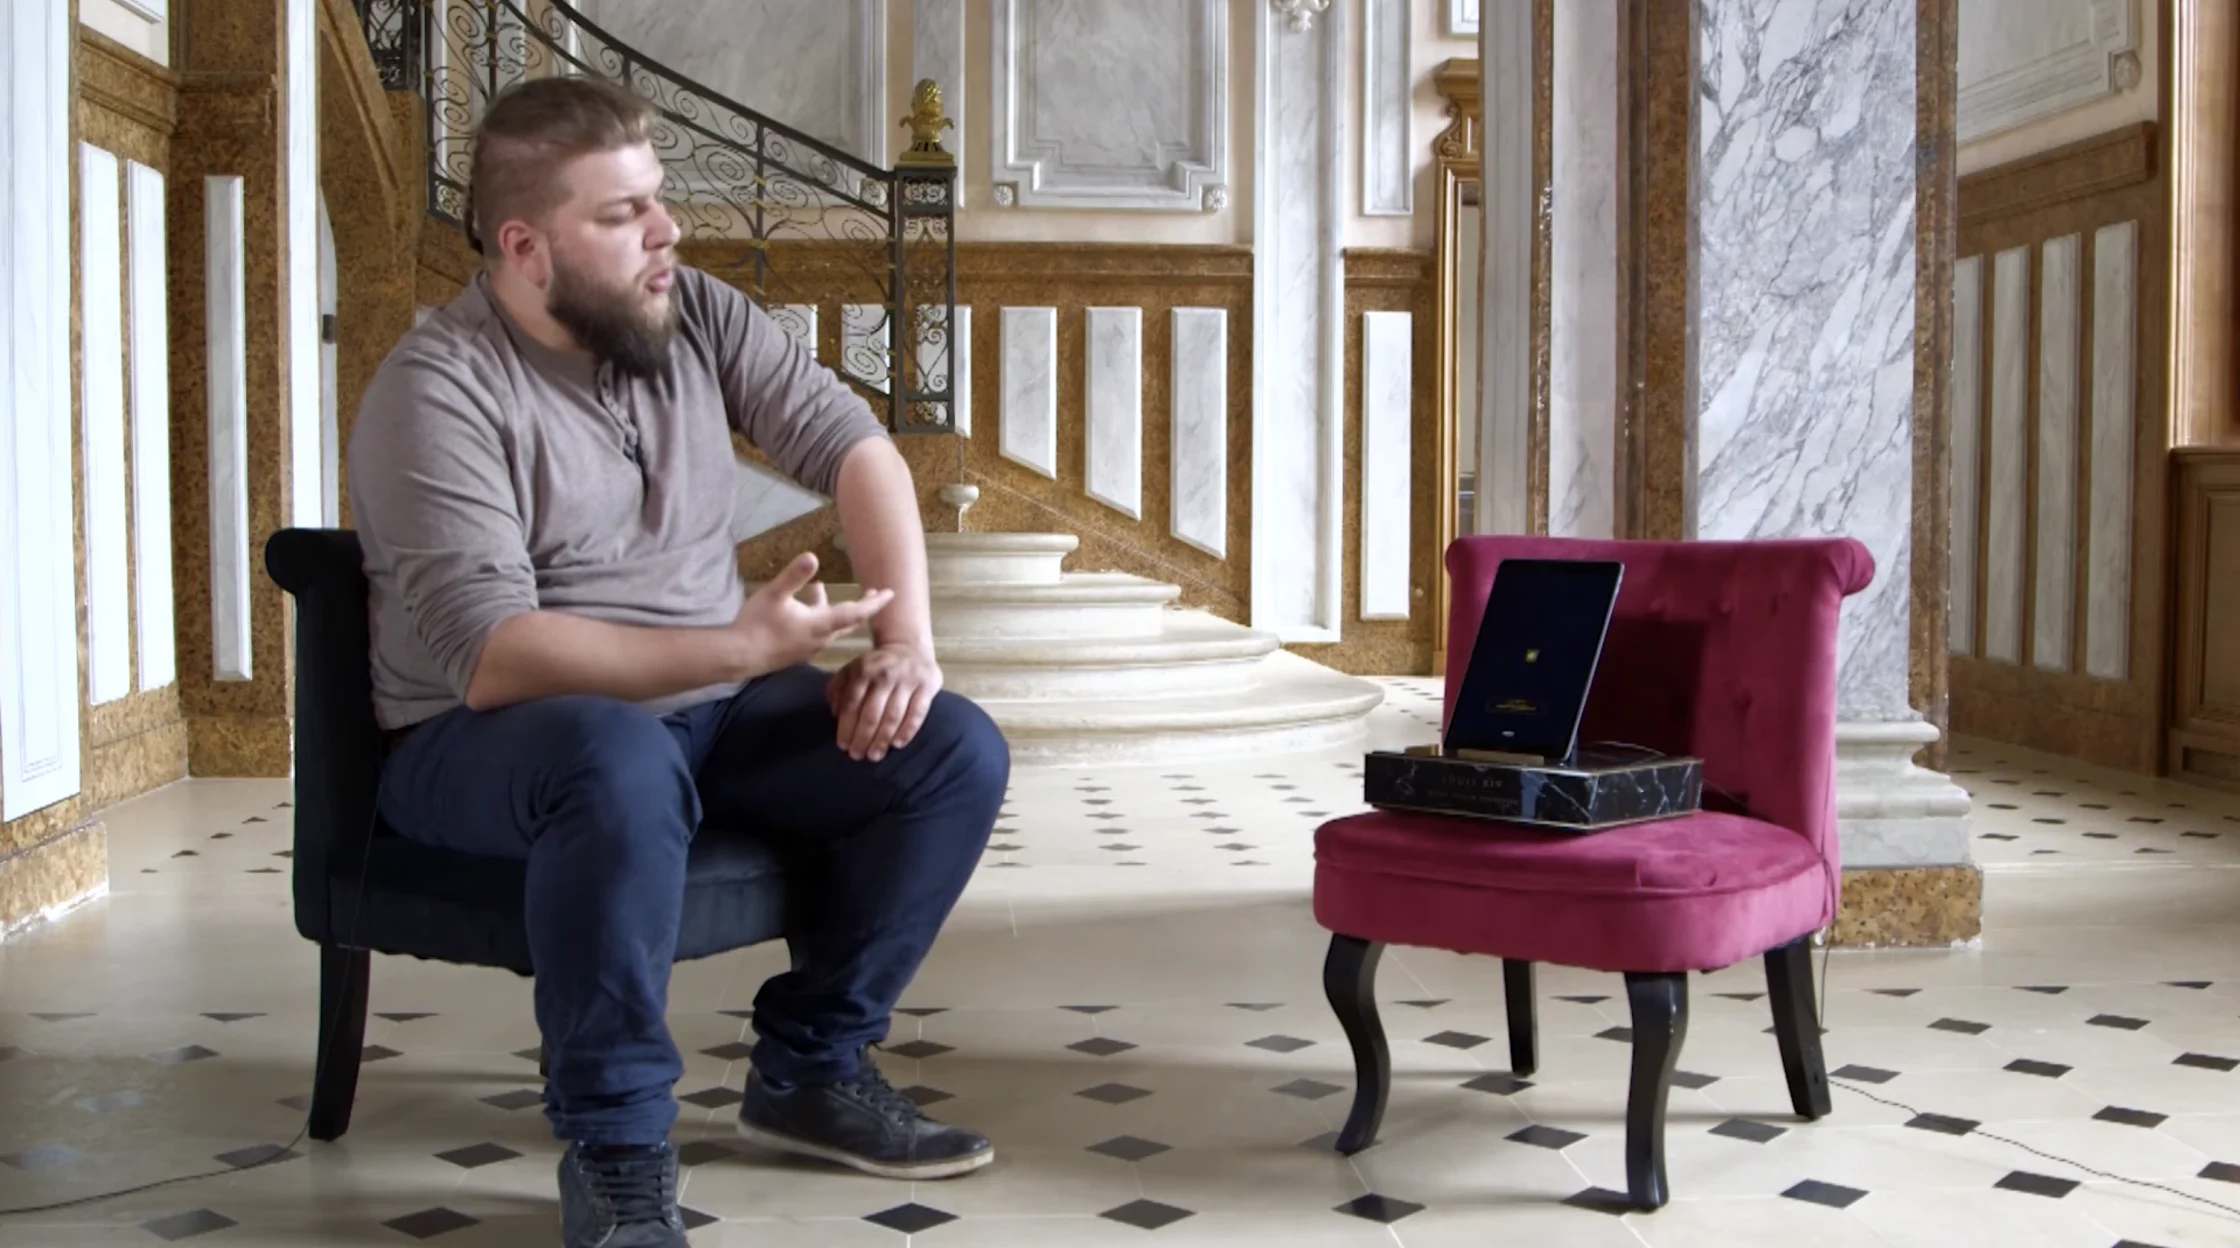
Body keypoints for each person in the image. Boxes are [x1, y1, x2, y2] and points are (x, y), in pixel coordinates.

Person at [346, 76, 1006, 1247]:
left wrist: (906, 641)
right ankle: (615, 1143)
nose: (666, 233)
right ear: (526, 246)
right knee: (609, 755)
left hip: (706, 711)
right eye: (622, 214)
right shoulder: (435, 389)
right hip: (482, 740)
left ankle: (808, 1065)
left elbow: (857, 446)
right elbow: (495, 658)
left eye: (659, 200)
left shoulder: (689, 309)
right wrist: (744, 644)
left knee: (946, 745)